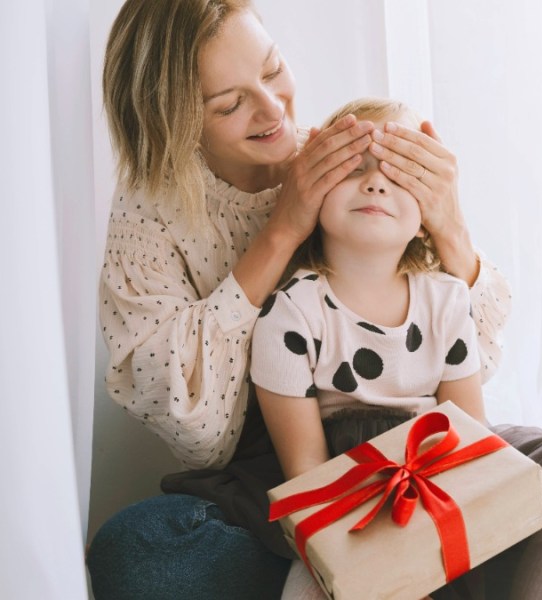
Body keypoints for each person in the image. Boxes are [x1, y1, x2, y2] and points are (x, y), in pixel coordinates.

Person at [86, 1, 513, 599]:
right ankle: (391, 570)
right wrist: (282, 231)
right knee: (138, 554)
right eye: (230, 104)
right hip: (278, 475)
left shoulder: (349, 165)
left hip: (419, 449)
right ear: (173, 122)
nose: (272, 110)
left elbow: (473, 369)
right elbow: (203, 438)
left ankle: (420, 565)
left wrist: (449, 226)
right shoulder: (148, 220)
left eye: (273, 69)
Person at [252, 98, 542, 600]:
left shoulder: (446, 300)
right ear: (312, 194)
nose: (376, 184)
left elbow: (472, 441)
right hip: (351, 502)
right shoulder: (292, 312)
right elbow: (308, 479)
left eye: (399, 177)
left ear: (425, 217)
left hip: (446, 477)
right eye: (355, 169)